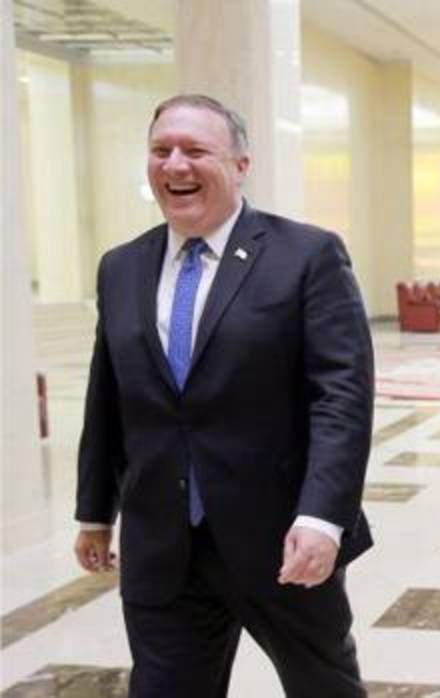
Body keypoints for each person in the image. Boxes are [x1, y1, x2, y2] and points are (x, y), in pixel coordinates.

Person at [74, 94, 374, 698]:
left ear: (240, 165)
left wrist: (323, 517)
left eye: (195, 150)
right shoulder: (121, 266)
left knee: (324, 688)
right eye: (161, 150)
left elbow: (341, 395)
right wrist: (95, 511)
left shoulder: (307, 256)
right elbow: (108, 394)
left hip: (282, 540)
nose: (175, 165)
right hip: (163, 544)